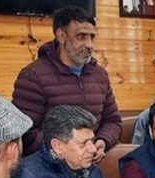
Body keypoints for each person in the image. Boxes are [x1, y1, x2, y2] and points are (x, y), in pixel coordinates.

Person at [12, 6, 122, 159]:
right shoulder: (33, 75)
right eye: (81, 36)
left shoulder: (100, 75)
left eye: (92, 37)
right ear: (61, 36)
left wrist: (103, 141)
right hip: (50, 166)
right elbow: (24, 133)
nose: (89, 45)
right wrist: (66, 150)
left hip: (92, 160)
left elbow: (113, 121)